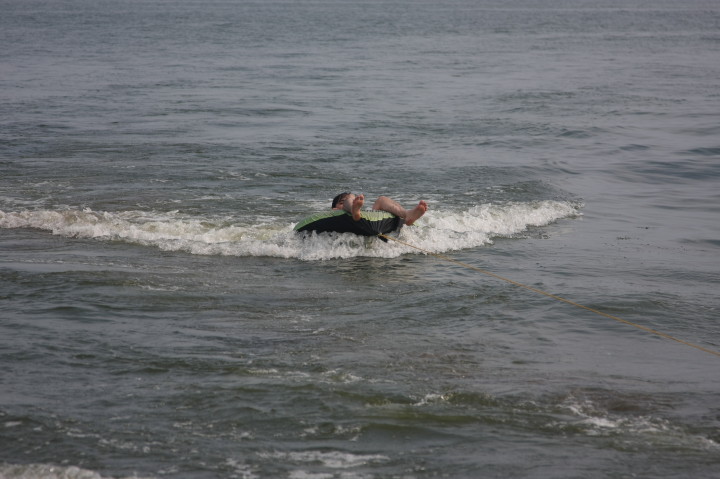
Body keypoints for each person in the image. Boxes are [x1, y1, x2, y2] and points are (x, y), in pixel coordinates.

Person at [331, 192, 428, 226]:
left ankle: (407, 214)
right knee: (349, 197)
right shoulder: (333, 213)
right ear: (334, 208)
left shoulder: (365, 214)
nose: (343, 204)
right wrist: (347, 202)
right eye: (341, 202)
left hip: (364, 219)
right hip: (351, 215)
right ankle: (353, 209)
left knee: (381, 199)